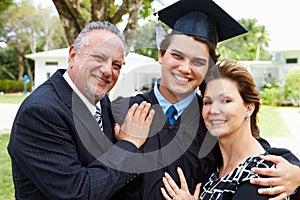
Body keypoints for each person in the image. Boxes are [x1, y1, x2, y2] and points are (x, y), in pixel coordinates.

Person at [110, 0, 300, 199]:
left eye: (198, 61)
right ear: (161, 54)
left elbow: (255, 150)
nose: (185, 68)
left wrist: (296, 173)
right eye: (177, 55)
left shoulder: (213, 121)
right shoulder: (123, 111)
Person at [8, 21, 155, 199]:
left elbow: (109, 177)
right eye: (99, 57)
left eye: (116, 65)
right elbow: (78, 192)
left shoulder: (101, 100)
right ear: (72, 55)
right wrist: (128, 145)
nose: (108, 71)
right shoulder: (40, 112)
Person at [161, 60, 300, 199]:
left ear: (249, 108)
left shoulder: (263, 175)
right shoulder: (215, 166)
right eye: (208, 102)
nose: (214, 110)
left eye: (226, 100)